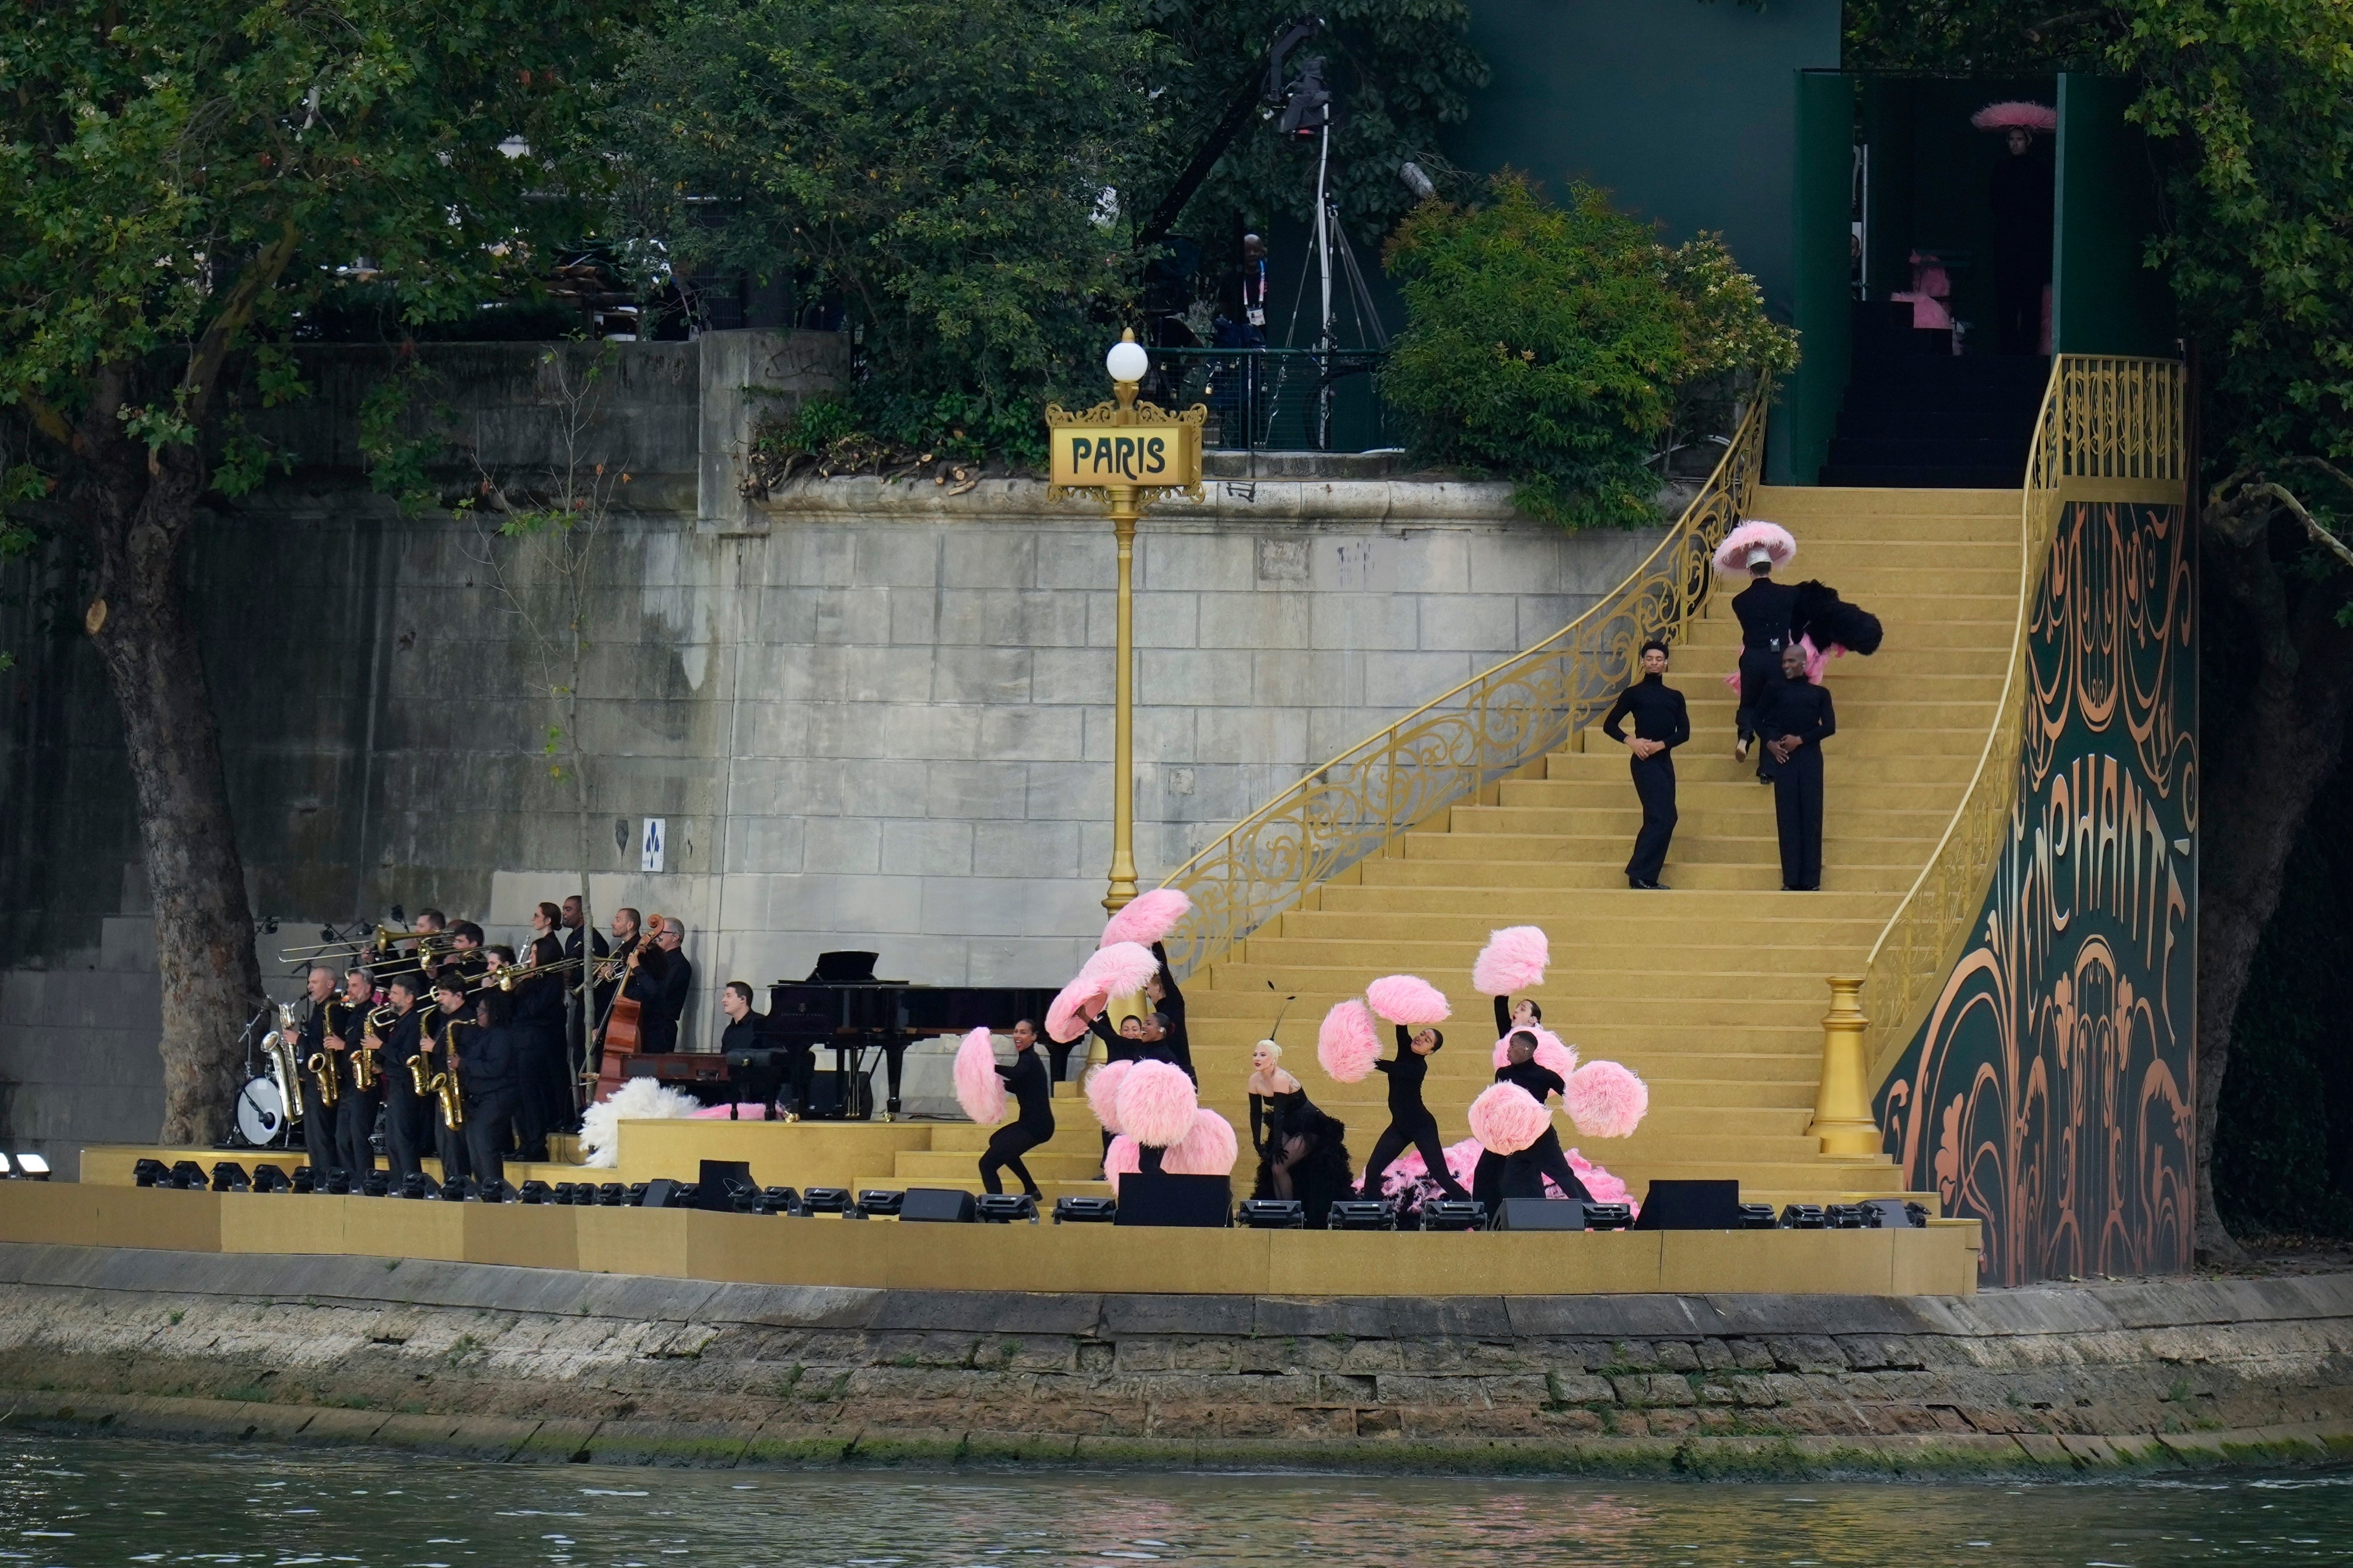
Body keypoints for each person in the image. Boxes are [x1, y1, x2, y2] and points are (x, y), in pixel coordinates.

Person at [1601, 639, 1690, 890]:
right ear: (1642, 662)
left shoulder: (1675, 697)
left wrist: (1662, 745)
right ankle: (1639, 874)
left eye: (1659, 659)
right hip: (1643, 762)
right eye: (1650, 659)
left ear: (1666, 663)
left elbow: (1684, 732)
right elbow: (1610, 725)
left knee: (1662, 817)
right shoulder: (1634, 694)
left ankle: (1645, 876)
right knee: (1663, 817)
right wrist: (1633, 742)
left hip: (1664, 761)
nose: (1654, 663)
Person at [1471, 1030, 1594, 1211]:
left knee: (1563, 1175)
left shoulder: (1546, 1076)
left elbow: (1571, 1096)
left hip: (1539, 1135)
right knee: (1486, 1172)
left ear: (1527, 1049)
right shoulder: (1503, 1073)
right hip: (1510, 1136)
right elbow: (1499, 1102)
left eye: (1512, 1046)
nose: (1508, 1051)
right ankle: (1486, 1219)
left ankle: (1596, 1214)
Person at [1357, 1025, 1470, 1205]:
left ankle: (1468, 1205)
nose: (1421, 1038)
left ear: (1430, 1052)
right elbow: (1401, 1025)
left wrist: (1367, 1060)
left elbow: (1396, 1069)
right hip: (1400, 1127)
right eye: (1422, 1034)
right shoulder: (1406, 1048)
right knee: (1373, 1170)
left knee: (1441, 1175)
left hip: (1421, 1127)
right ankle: (1372, 1211)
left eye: (1427, 1041)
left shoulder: (1419, 1067)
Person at [1246, 1039, 1354, 1225]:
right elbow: (1255, 1114)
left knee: (1279, 1167)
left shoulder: (1281, 1078)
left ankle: (1291, 1215)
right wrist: (1258, 1143)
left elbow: (1279, 1113)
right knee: (1274, 1169)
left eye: (1263, 1055)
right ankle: (1283, 1212)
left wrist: (1278, 1146)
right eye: (1255, 1054)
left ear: (1274, 1059)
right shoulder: (1254, 1081)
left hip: (1309, 1127)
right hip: (1287, 1127)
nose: (1257, 1058)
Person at [1760, 641, 1837, 891]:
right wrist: (1771, 744)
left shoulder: (1819, 694)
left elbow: (1829, 727)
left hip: (1810, 758)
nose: (1786, 666)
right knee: (1788, 817)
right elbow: (1759, 719)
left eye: (1791, 662)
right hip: (1784, 758)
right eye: (1784, 662)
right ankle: (1791, 879)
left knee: (1811, 816)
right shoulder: (1774, 689)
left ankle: (1811, 880)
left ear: (1804, 663)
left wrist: (1801, 740)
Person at [1732, 543, 1799, 767]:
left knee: (1750, 702)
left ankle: (1745, 735)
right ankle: (1768, 768)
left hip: (1752, 656)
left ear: (1749, 571)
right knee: (1774, 707)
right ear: (1771, 568)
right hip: (1778, 656)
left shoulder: (1739, 601)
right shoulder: (1789, 594)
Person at [1990, 124, 2054, 356]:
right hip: (2007, 242)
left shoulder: (2038, 169)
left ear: (2028, 141)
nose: (2015, 144)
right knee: (2006, 296)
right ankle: (2008, 348)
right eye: (2012, 139)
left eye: (2020, 139)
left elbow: (2045, 205)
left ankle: (2029, 348)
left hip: (2032, 243)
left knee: (2031, 296)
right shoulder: (2001, 168)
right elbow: (1995, 203)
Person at [510, 903, 569, 1160]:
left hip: (535, 1041)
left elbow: (533, 1009)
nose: (529, 959)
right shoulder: (533, 980)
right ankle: (526, 1142)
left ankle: (535, 1143)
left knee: (532, 1094)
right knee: (522, 1096)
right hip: (522, 1039)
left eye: (534, 955)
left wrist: (524, 982)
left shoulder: (548, 982)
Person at [455, 987, 524, 1195]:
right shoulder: (483, 1034)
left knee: (485, 1146)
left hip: (497, 1097)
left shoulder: (502, 1036)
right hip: (481, 1098)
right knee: (475, 1144)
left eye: (483, 1011)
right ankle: (483, 1188)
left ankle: (494, 1190)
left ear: (494, 1013)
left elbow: (495, 1068)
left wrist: (464, 1064)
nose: (478, 1014)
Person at [979, 1020, 1054, 1198]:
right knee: (997, 1140)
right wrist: (994, 1081)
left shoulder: (1029, 1059)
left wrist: (990, 1067)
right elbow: (1017, 1085)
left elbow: (1016, 1073)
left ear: (1034, 1037)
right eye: (1016, 1032)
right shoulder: (1027, 1059)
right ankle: (1031, 1189)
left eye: (1023, 1033)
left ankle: (998, 1215)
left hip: (1037, 1126)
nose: (1018, 1036)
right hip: (1031, 1123)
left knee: (987, 1165)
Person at [373, 972, 432, 1185]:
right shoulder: (400, 1021)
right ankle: (399, 1183)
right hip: (396, 1086)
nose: (391, 998)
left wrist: (380, 1047)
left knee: (403, 1140)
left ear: (410, 998)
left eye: (396, 994)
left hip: (407, 1088)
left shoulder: (414, 1022)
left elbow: (408, 1058)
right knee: (393, 1141)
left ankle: (411, 1185)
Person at [421, 974, 474, 1185]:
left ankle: (459, 1183)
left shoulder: (466, 1020)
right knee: (444, 1142)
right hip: (445, 1086)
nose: (439, 999)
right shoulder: (446, 1020)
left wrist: (436, 1048)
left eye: (444, 994)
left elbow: (464, 1053)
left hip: (459, 1089)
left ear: (459, 996)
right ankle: (450, 1180)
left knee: (455, 1142)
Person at [293, 964, 343, 1172]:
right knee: (313, 1135)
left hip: (325, 1082)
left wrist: (298, 1040)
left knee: (322, 1135)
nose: (309, 986)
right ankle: (318, 1175)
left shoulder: (334, 1010)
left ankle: (326, 1177)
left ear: (330, 985)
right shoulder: (319, 1008)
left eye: (314, 982)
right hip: (315, 1080)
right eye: (309, 982)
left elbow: (324, 1045)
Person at [332, 967, 380, 1178]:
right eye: (349, 986)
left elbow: (370, 1050)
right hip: (349, 1083)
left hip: (365, 1084)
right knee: (342, 1138)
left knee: (359, 1137)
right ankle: (350, 1180)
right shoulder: (352, 1014)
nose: (349, 990)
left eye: (354, 986)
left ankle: (366, 1181)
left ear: (368, 988)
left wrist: (344, 1047)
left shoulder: (373, 1014)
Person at [641, 916, 692, 1054]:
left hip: (661, 1029)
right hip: (646, 1023)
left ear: (675, 937)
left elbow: (659, 993)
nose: (656, 936)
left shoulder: (680, 965)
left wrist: (638, 970)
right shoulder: (657, 960)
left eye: (661, 933)